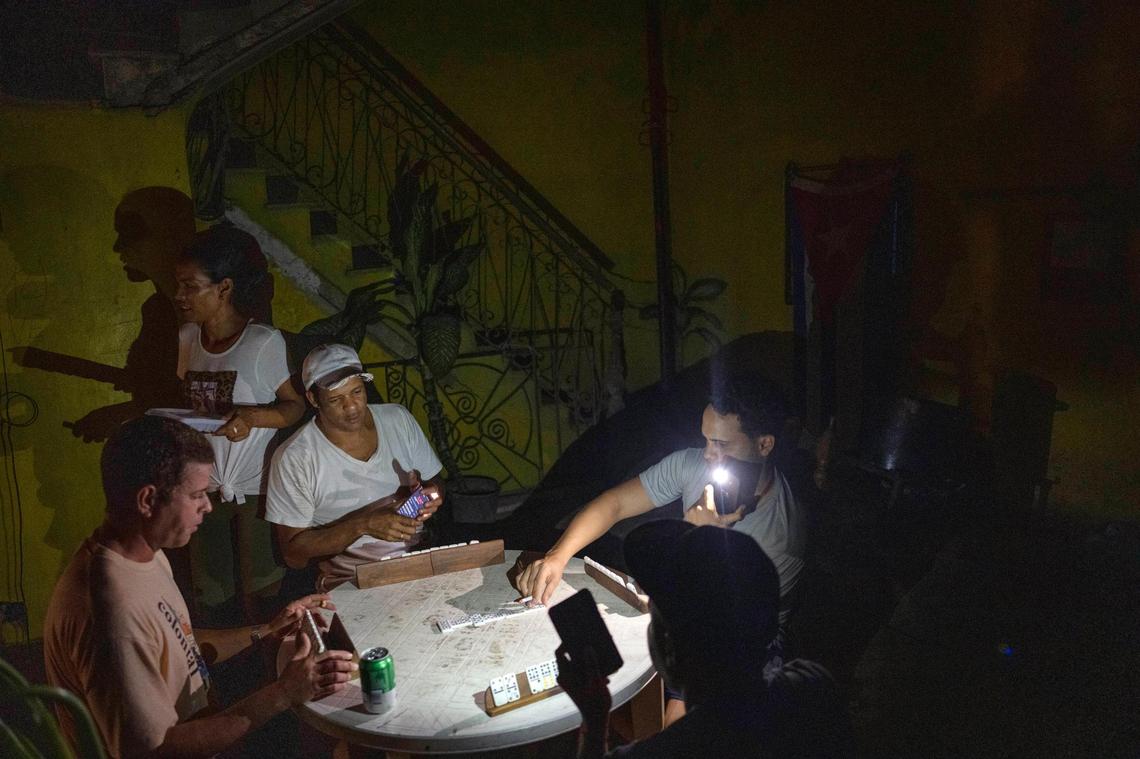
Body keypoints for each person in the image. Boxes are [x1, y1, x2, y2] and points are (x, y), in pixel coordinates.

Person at [42, 416, 356, 758]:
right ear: (147, 500)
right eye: (196, 495)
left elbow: (179, 645)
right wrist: (284, 693)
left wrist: (269, 629)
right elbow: (153, 752)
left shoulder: (143, 555)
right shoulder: (112, 611)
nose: (208, 505)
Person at [518, 369, 806, 617]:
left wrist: (699, 538)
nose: (707, 454)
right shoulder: (692, 464)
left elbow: (717, 625)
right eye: (706, 440)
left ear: (764, 445)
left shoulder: (782, 537)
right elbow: (615, 504)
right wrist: (558, 556)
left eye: (721, 444)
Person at [556, 521, 851, 758]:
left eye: (653, 613)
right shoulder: (812, 686)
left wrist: (595, 722)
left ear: (669, 648)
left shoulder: (667, 752)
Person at [175, 224, 305, 621]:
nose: (179, 296)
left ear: (224, 288)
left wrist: (252, 417)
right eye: (178, 286)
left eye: (190, 286)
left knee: (261, 593)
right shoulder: (187, 339)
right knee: (212, 592)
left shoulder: (262, 342)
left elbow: (295, 406)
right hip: (204, 486)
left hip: (254, 488)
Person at [265, 343, 445, 590]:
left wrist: (431, 494)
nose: (351, 407)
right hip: (350, 581)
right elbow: (293, 554)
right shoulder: (294, 458)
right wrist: (363, 524)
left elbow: (437, 484)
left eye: (357, 392)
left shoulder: (397, 419)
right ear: (313, 399)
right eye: (336, 399)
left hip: (419, 562)